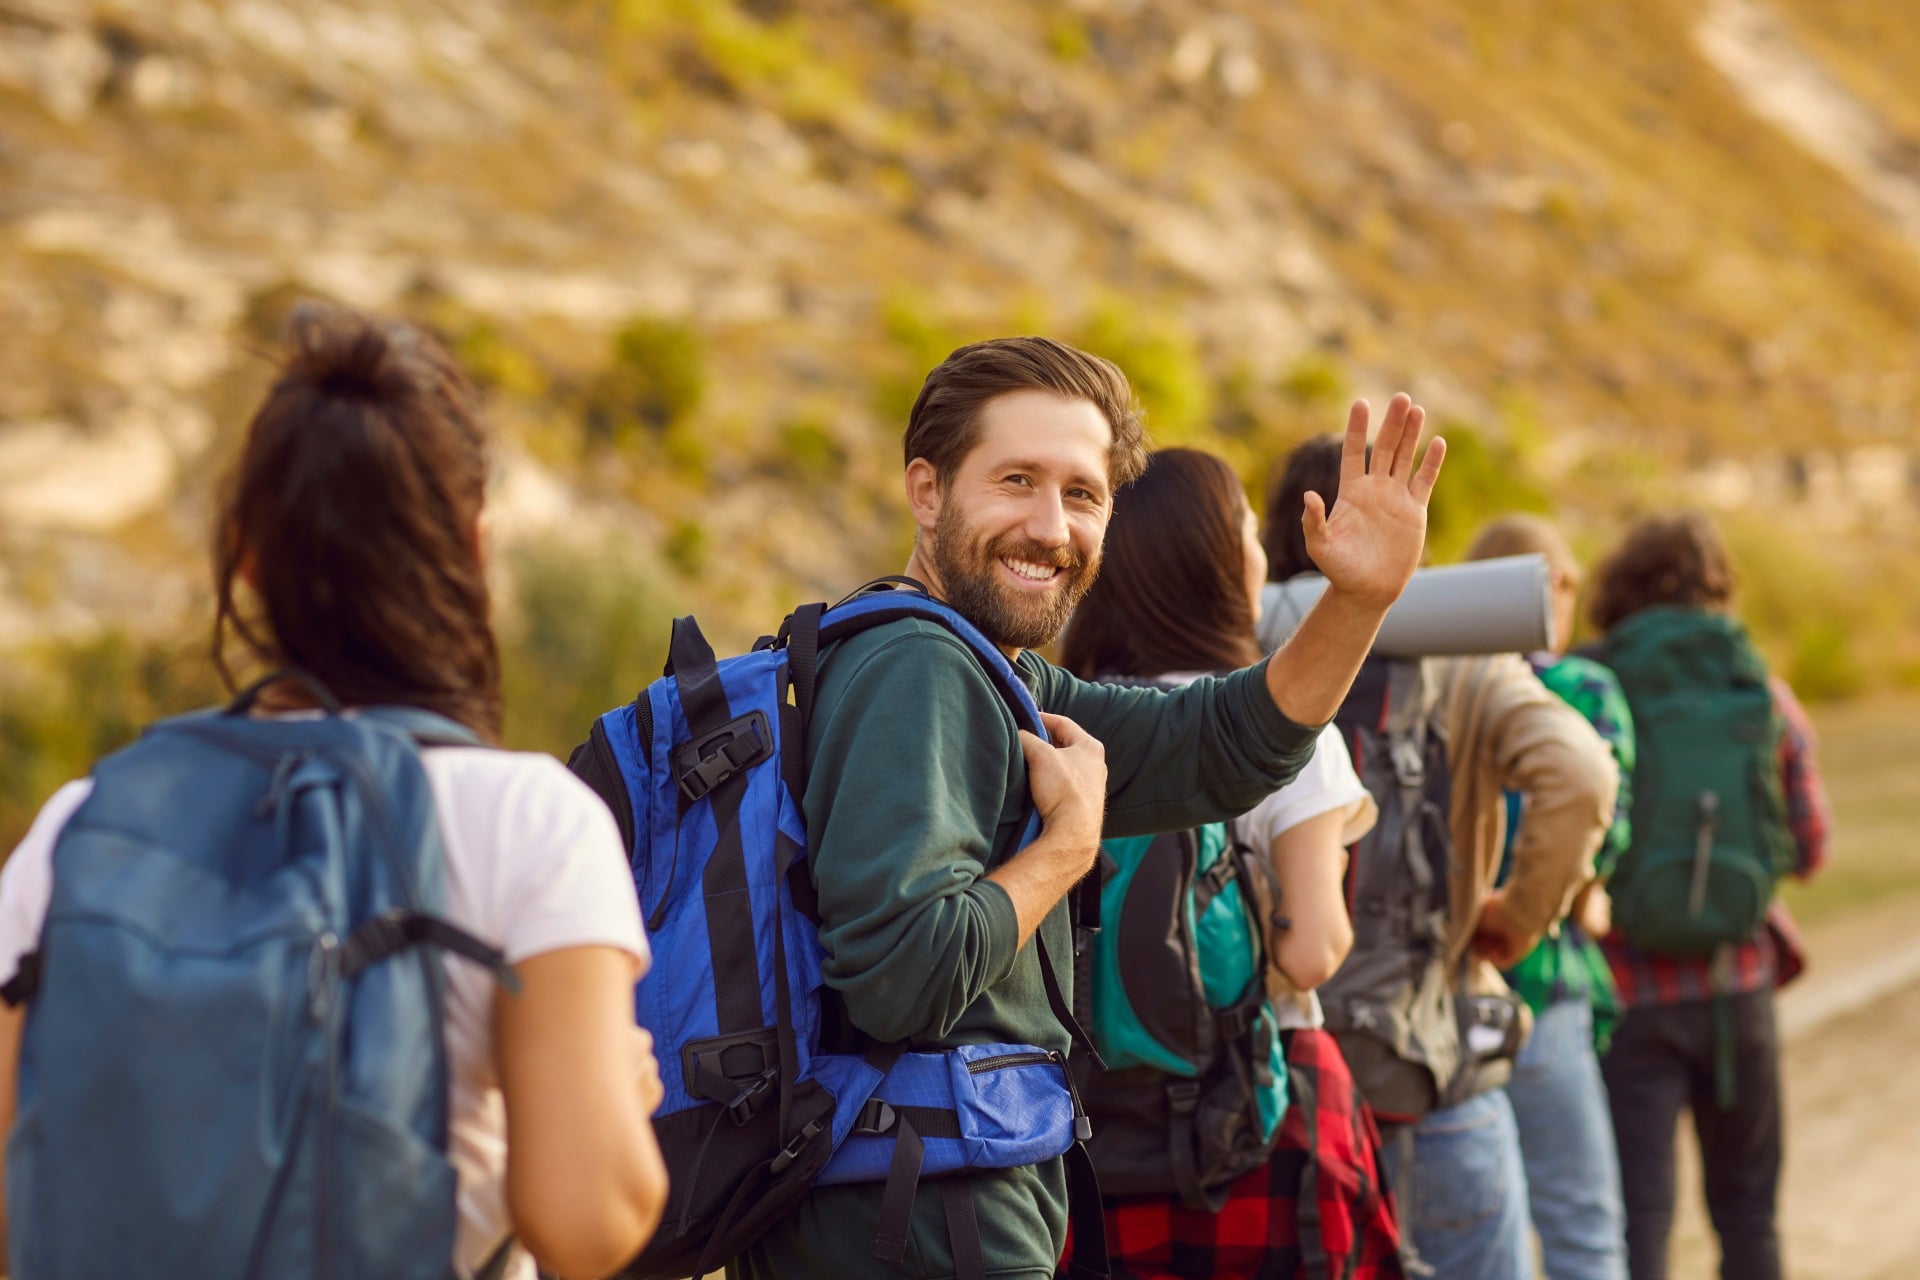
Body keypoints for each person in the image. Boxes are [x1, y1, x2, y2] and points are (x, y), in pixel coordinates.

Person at [733, 340, 1445, 1280]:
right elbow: (900, 975)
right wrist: (1068, 847)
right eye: (1017, 480)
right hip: (926, 1223)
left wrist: (1356, 602)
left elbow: (1220, 744)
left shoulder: (989, 672)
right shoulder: (918, 669)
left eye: (1083, 494)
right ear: (927, 491)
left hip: (930, 1203)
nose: (1050, 527)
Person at [0, 306, 669, 1280]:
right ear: (474, 552)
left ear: (246, 555)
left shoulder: (82, 822)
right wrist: (608, 1088)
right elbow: (589, 1218)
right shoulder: (531, 820)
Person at [1261, 439, 1617, 1280]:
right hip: (1437, 1075)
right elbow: (1581, 775)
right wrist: (1516, 921)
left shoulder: (1249, 657)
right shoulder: (1473, 663)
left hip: (1281, 1089)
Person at [1058, 447, 1395, 1279]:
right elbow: (1309, 950)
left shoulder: (1060, 724)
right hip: (1250, 1118)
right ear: (1216, 561)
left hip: (1079, 1134)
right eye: (1245, 527)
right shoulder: (1285, 728)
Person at [1586, 512, 1830, 1280]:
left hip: (1627, 997)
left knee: (1639, 1227)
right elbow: (1811, 848)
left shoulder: (1595, 692)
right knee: (1749, 1217)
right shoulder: (1761, 692)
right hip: (1738, 989)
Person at [1465, 516, 1632, 1280]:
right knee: (1581, 1224)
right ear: (1553, 588)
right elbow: (1610, 821)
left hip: (1451, 993)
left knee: (1479, 1234)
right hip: (1545, 976)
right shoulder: (1580, 688)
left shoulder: (1444, 684)